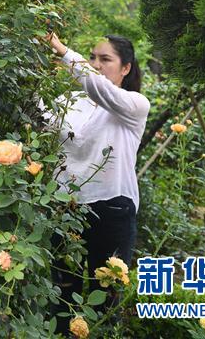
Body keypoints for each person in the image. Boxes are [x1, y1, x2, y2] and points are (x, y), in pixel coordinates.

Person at [45, 31, 149, 334]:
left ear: (125, 68)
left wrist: (64, 51)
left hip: (112, 209)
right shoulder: (70, 102)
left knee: (107, 303)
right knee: (63, 296)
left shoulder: (133, 105)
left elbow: (98, 87)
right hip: (67, 208)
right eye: (93, 57)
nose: (97, 64)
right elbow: (41, 117)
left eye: (106, 59)